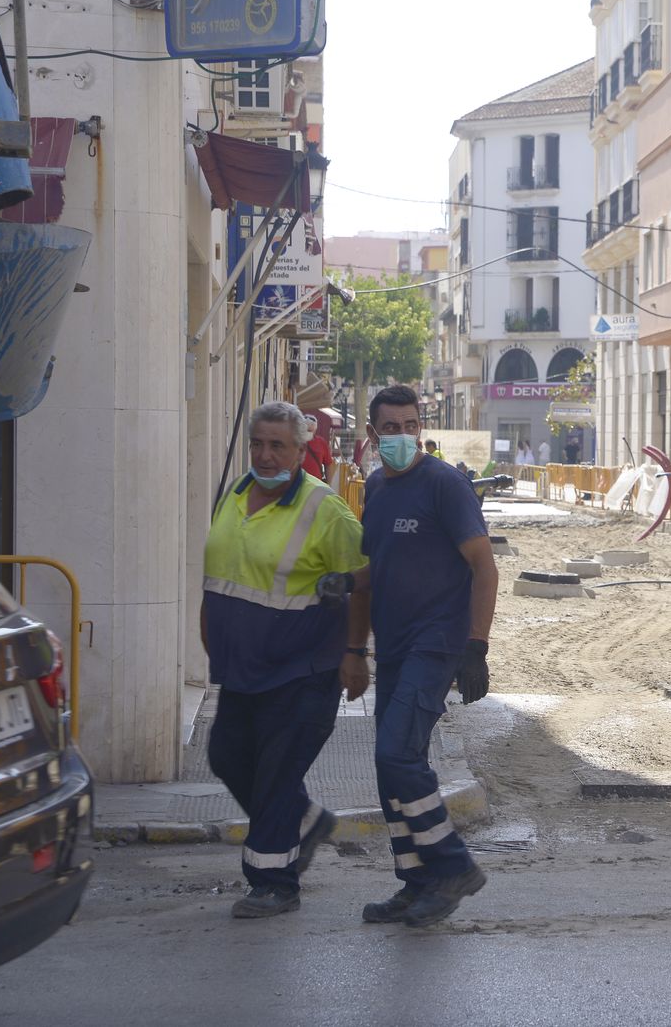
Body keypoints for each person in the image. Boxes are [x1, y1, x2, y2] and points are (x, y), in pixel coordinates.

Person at [332, 384, 498, 927]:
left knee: (397, 756)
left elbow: (484, 565)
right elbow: (381, 568)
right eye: (391, 428)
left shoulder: (444, 485)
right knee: (393, 768)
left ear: (420, 428)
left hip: (437, 643)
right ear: (373, 434)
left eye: (410, 425)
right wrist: (345, 589)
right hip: (395, 646)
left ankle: (451, 865)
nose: (402, 436)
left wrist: (476, 645)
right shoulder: (376, 488)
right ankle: (417, 881)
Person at [201, 401, 369, 919]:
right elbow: (220, 575)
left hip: (303, 670)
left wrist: (354, 654)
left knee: (274, 776)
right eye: (258, 443)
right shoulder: (233, 494)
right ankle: (305, 822)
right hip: (242, 669)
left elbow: (363, 580)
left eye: (278, 445)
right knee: (227, 757)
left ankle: (274, 883)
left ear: (301, 451)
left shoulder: (325, 509)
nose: (265, 455)